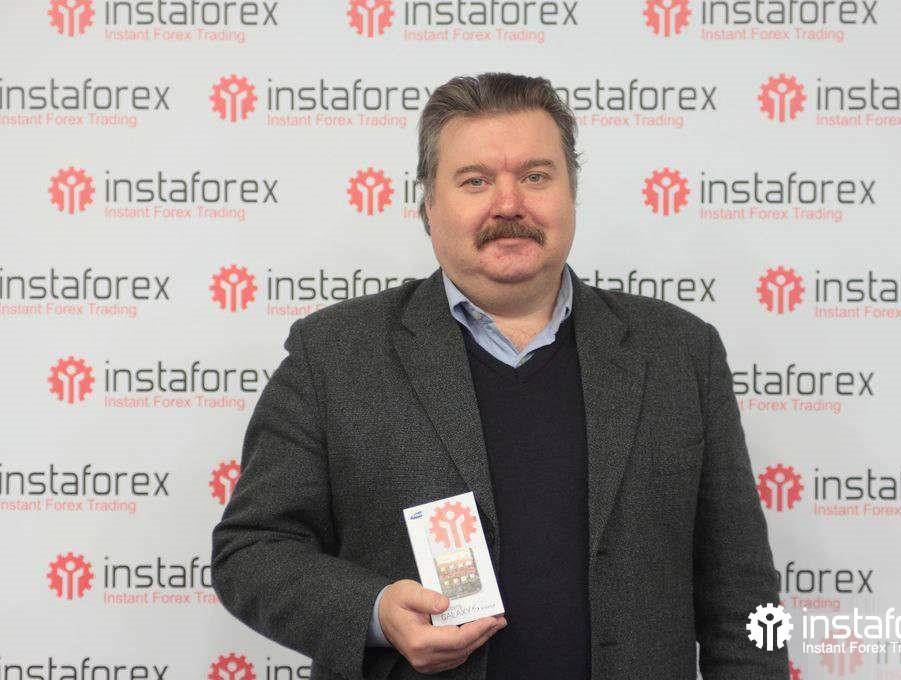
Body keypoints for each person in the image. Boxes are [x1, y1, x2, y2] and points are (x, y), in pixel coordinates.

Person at [211, 72, 788, 680]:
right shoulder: (335, 354)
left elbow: (745, 592)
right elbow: (252, 550)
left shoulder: (680, 352)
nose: (509, 205)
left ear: (571, 194)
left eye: (536, 176)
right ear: (428, 206)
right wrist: (374, 611)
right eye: (475, 181)